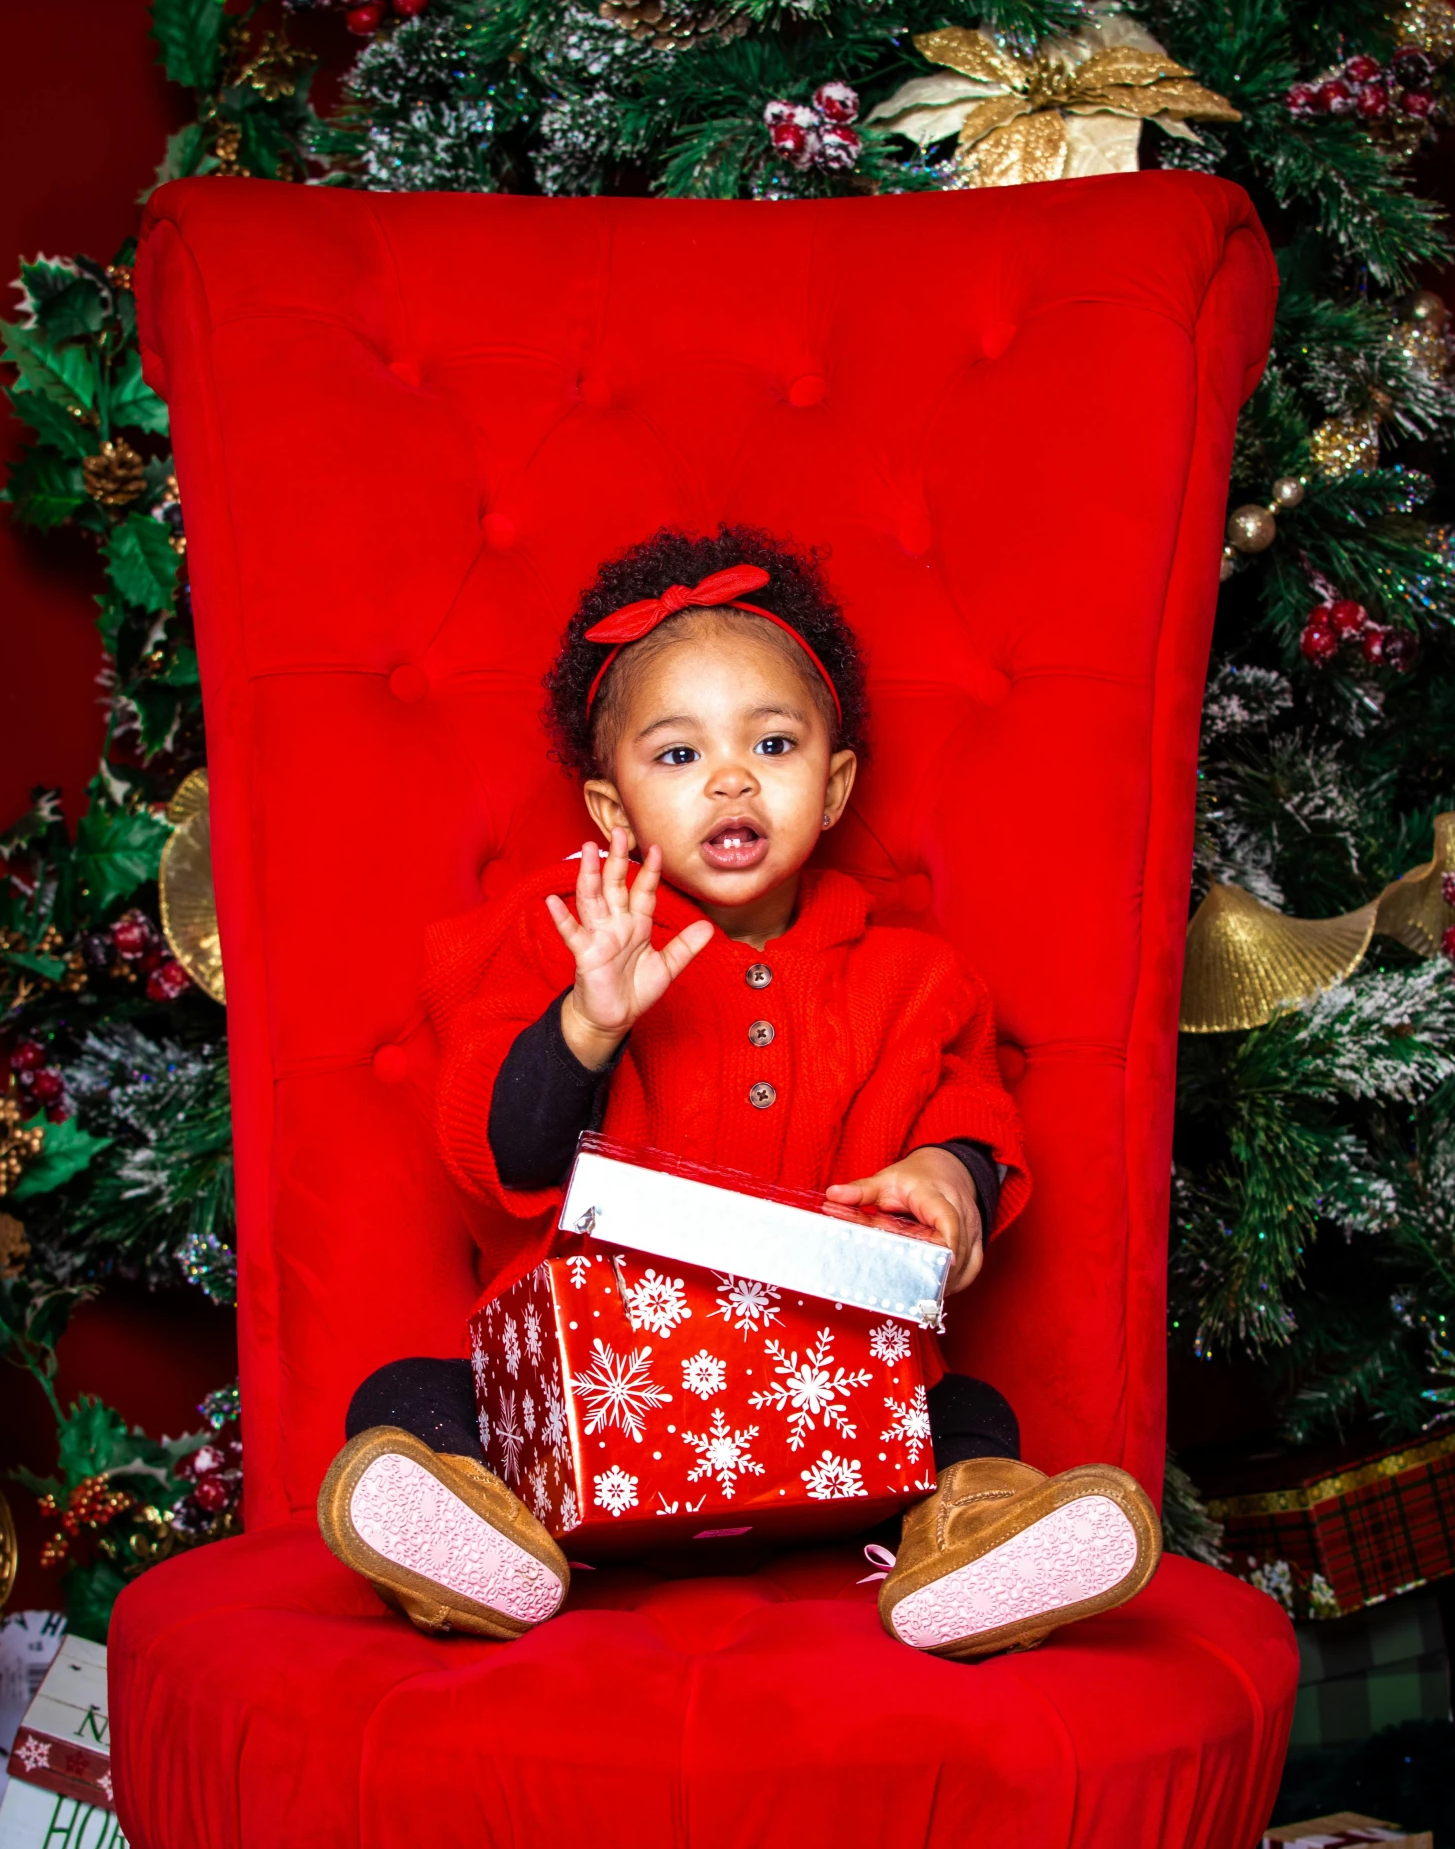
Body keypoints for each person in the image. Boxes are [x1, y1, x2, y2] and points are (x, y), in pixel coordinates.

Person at [319, 526, 1160, 1659]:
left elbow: (971, 1120)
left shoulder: (910, 978)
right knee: (407, 1392)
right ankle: (491, 1544)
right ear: (611, 812)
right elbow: (501, 1153)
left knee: (972, 1415)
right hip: (594, 1420)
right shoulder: (562, 943)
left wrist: (943, 1181)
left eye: (771, 742)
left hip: (832, 1427)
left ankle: (973, 1537)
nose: (729, 778)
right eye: (675, 756)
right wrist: (589, 1023)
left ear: (834, 782)